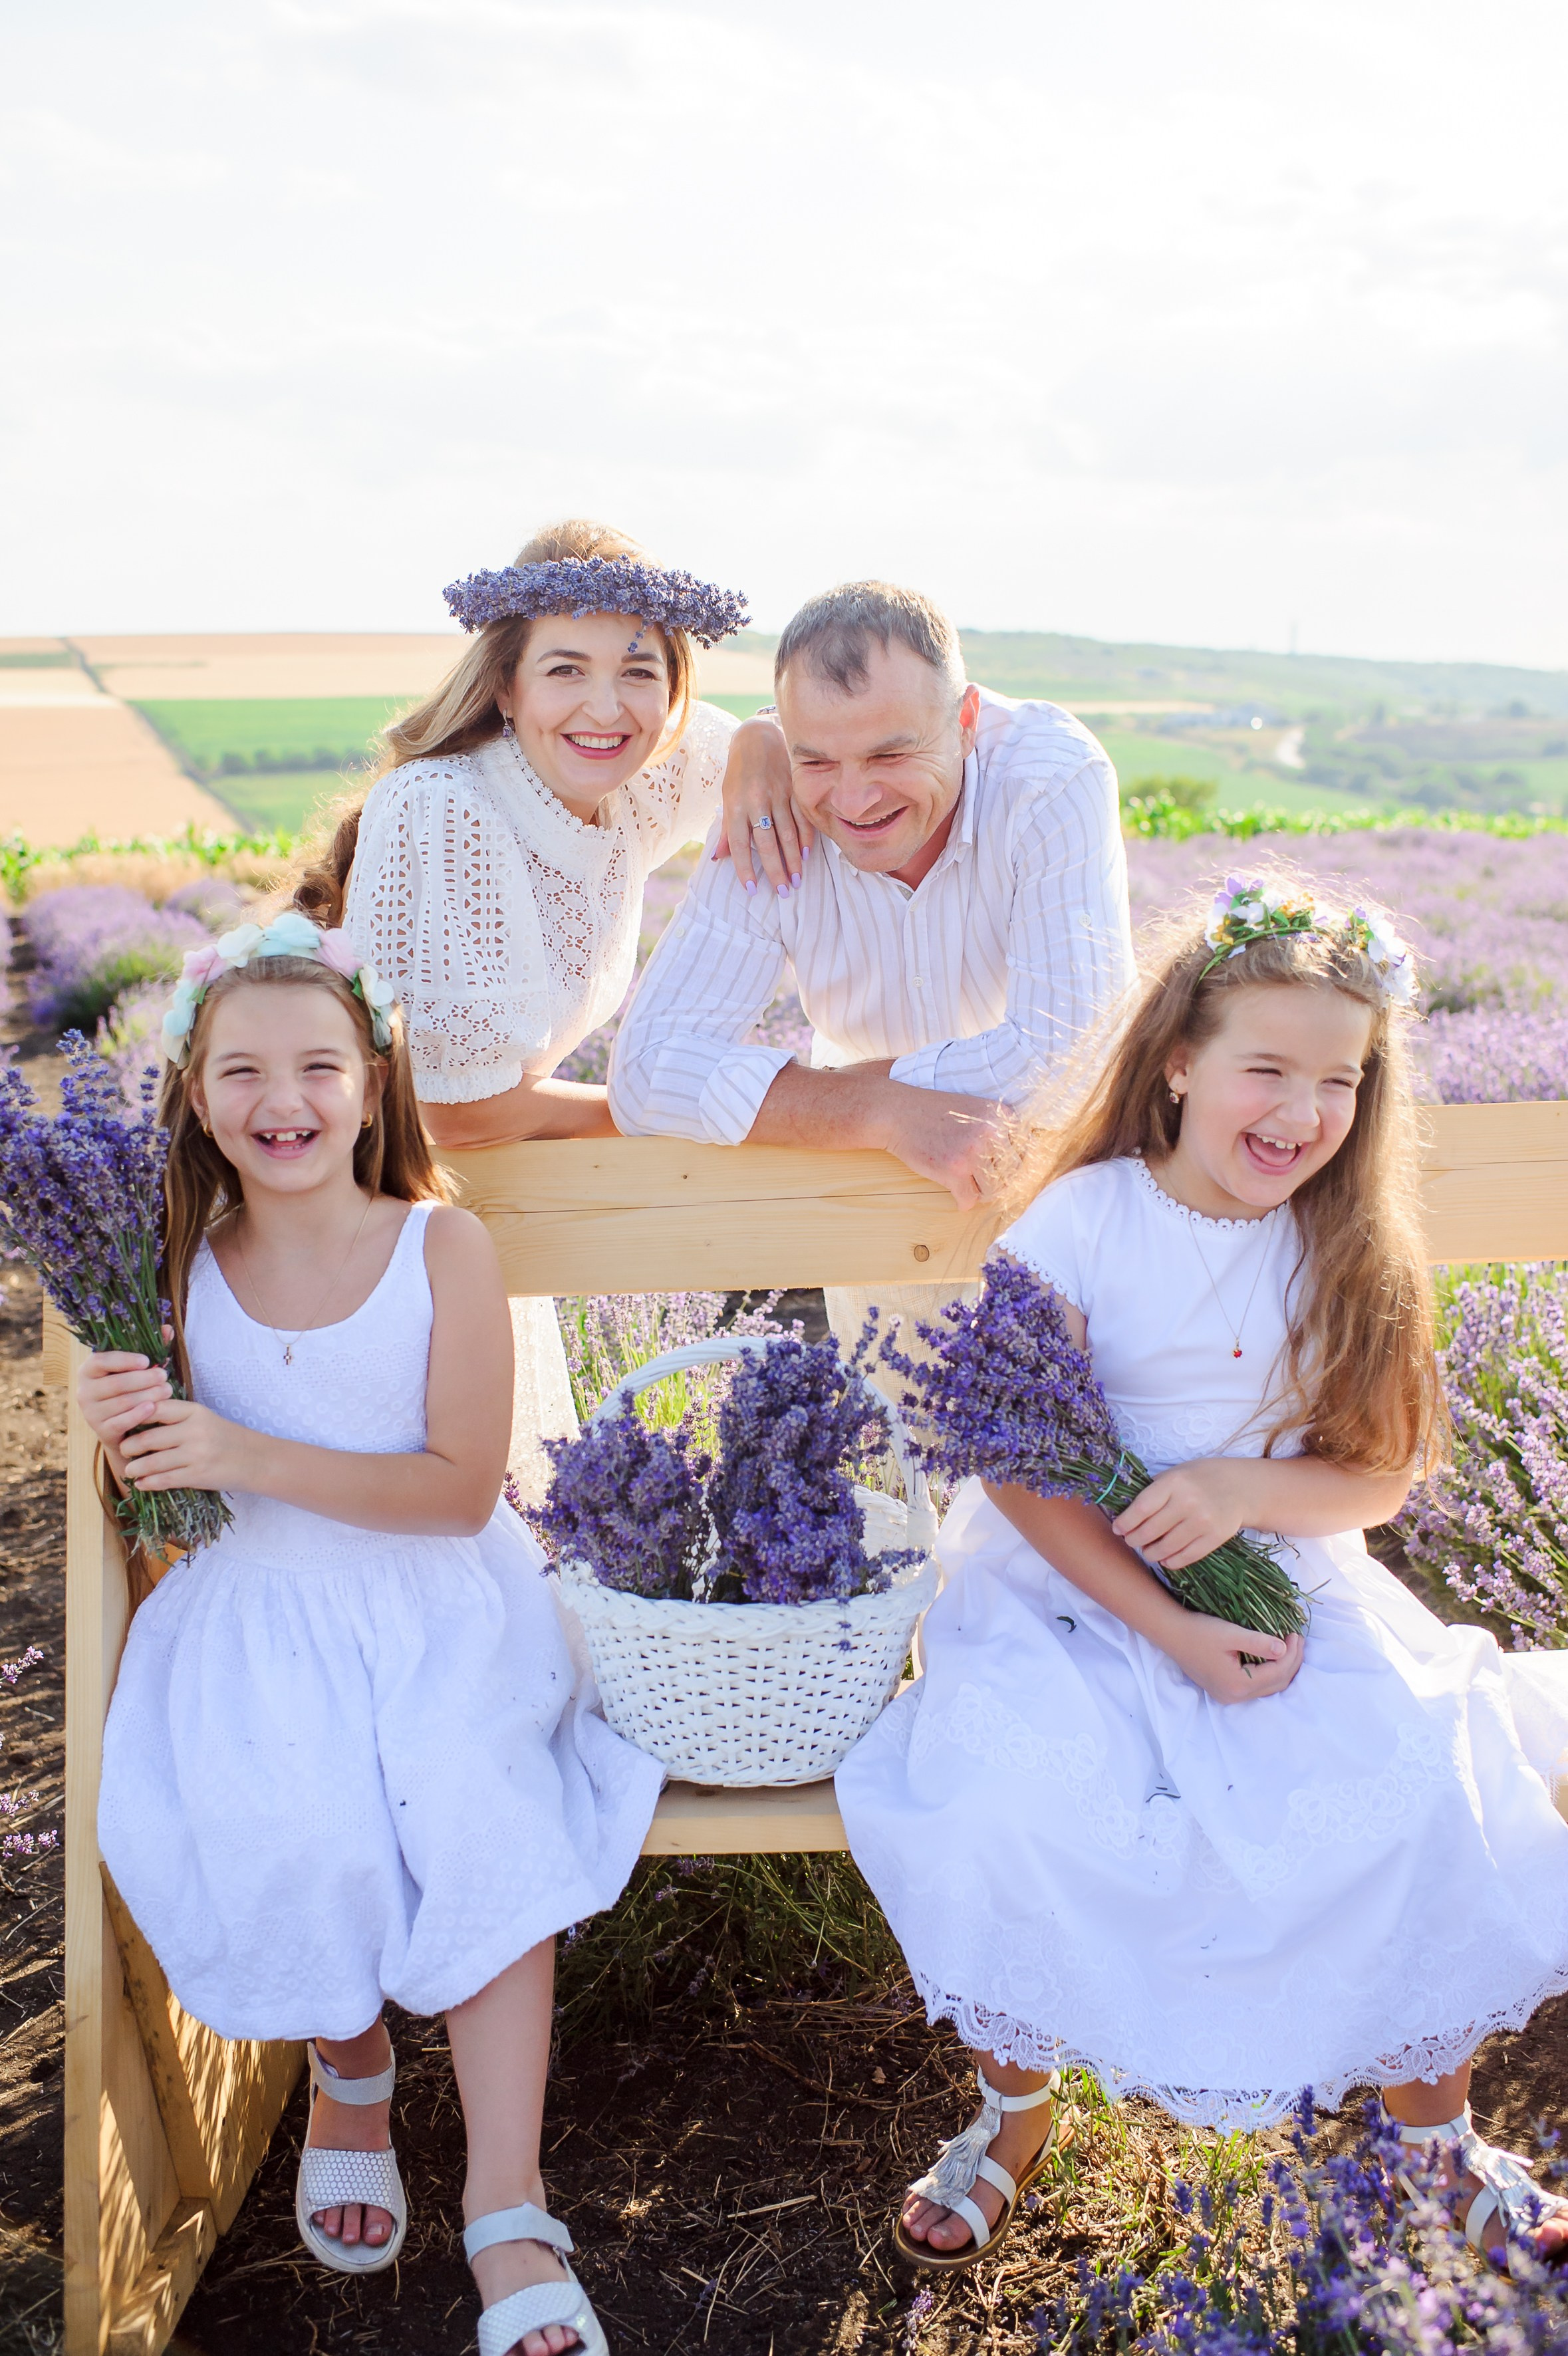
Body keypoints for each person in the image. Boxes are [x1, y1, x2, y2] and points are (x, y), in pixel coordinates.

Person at [835, 876, 1568, 2279]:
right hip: (1069, 1590)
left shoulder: (1345, 1243)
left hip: (1284, 1575)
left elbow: (1383, 1474)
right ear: (1179, 1061)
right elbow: (1022, 1467)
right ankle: (1012, 2107)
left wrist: (1242, 1491)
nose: (1300, 1112)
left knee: (1419, 1782)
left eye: (1339, 1079)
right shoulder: (1084, 1220)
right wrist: (1165, 1621)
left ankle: (1434, 2125)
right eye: (1267, 1068)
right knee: (1006, 1800)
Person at [83, 914, 656, 2356]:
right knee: (289, 1808)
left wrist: (241, 1447)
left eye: (318, 1065)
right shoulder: (172, 1262)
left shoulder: (437, 1245)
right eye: (243, 1072)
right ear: (195, 1093)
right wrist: (127, 1442)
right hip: (260, 1615)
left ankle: (508, 2196)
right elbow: (159, 1502)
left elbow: (462, 1492)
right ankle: (351, 2065)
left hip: (439, 1607)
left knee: (475, 1814)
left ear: (372, 1077)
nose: (284, 1101)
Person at [299, 517, 801, 1500]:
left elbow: (746, 747)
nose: (606, 706)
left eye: (639, 670)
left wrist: (762, 737)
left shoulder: (626, 775)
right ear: (505, 685)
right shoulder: (446, 808)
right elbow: (445, 1109)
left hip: (480, 1205)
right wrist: (669, 1101)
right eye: (564, 668)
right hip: (371, 1228)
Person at [606, 580, 1135, 1353]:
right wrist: (881, 1118)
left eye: (892, 753)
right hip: (868, 1220)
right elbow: (646, 1074)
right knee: (893, 1460)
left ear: (966, 721)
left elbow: (1073, 1054)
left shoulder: (1050, 779)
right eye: (817, 758)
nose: (853, 798)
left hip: (1063, 1227)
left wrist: (846, 1095)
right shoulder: (773, 804)